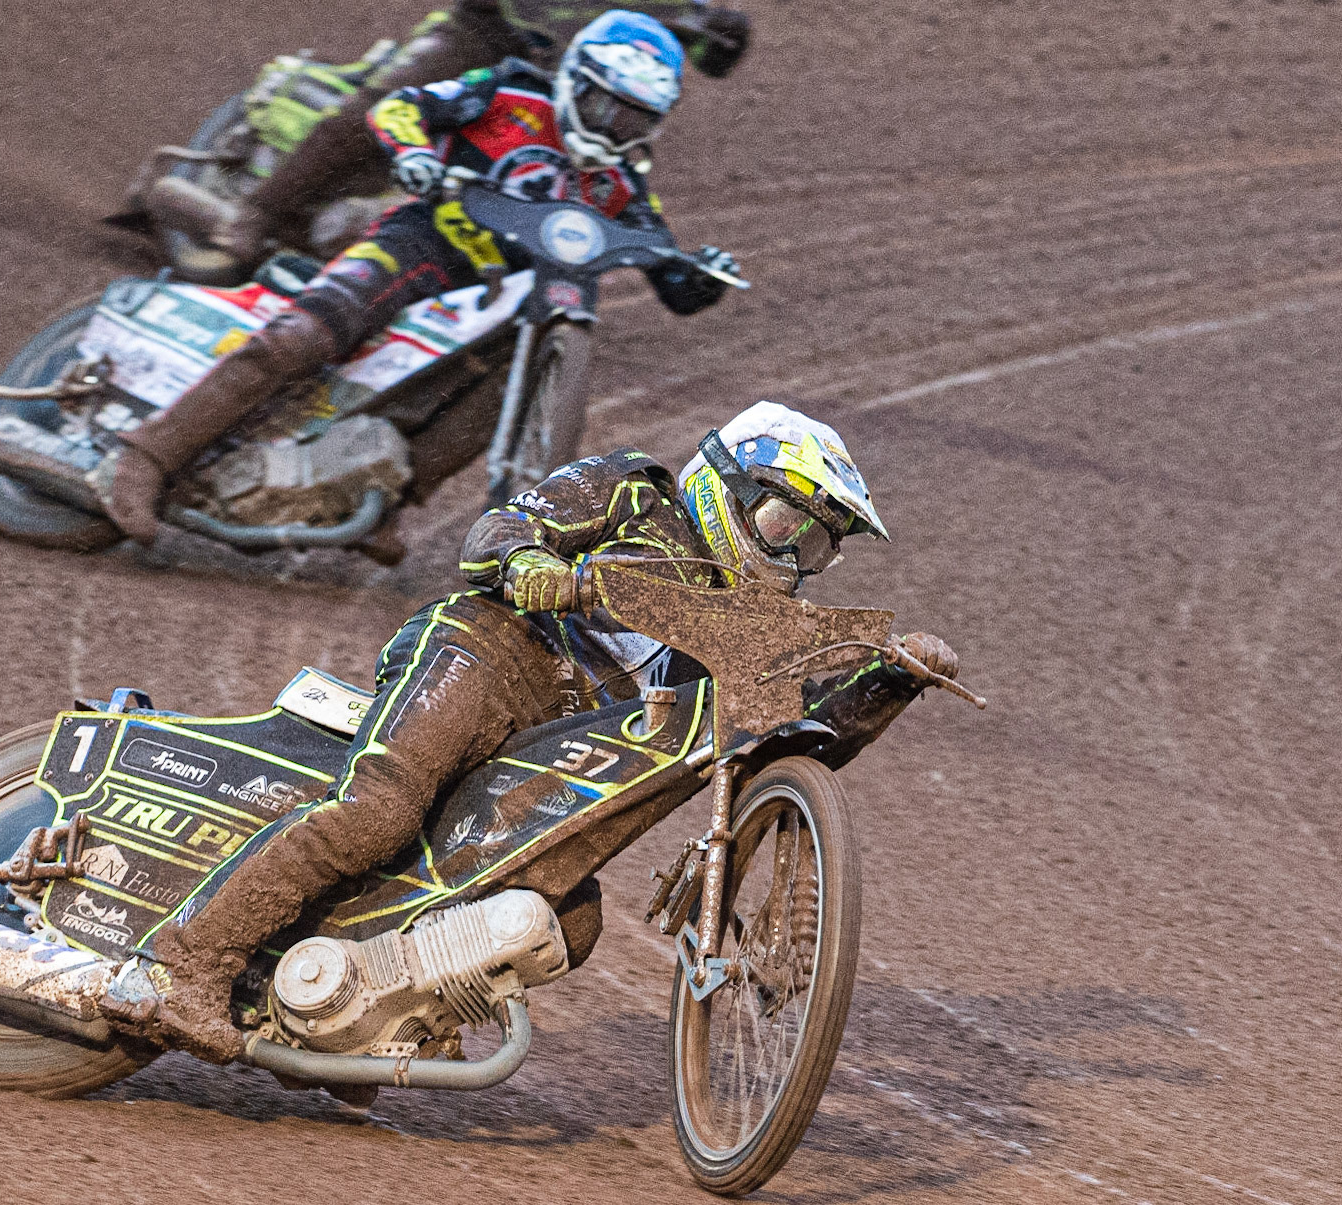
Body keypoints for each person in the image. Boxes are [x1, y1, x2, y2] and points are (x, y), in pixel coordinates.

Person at [100, 400, 962, 1063]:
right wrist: (535, 568)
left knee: (568, 919)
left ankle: (368, 1018)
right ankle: (179, 964)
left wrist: (890, 680)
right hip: (489, 653)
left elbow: (790, 737)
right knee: (381, 810)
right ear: (727, 484)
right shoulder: (635, 490)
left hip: (557, 743)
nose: (791, 554)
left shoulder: (744, 632)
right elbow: (500, 529)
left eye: (814, 547)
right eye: (784, 525)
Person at [99, 10, 739, 545]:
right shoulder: (513, 90)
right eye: (606, 106)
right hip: (424, 236)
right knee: (303, 335)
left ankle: (388, 510)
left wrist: (704, 274)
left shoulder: (624, 182)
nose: (614, 127)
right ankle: (143, 457)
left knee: (496, 396)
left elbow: (670, 273)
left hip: (509, 294)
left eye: (634, 119)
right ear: (578, 82)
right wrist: (412, 156)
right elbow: (405, 109)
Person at [137, 1, 752, 278]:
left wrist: (720, 31)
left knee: (581, 180)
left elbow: (709, 52)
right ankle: (250, 213)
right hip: (483, 37)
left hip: (573, 95)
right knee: (376, 115)